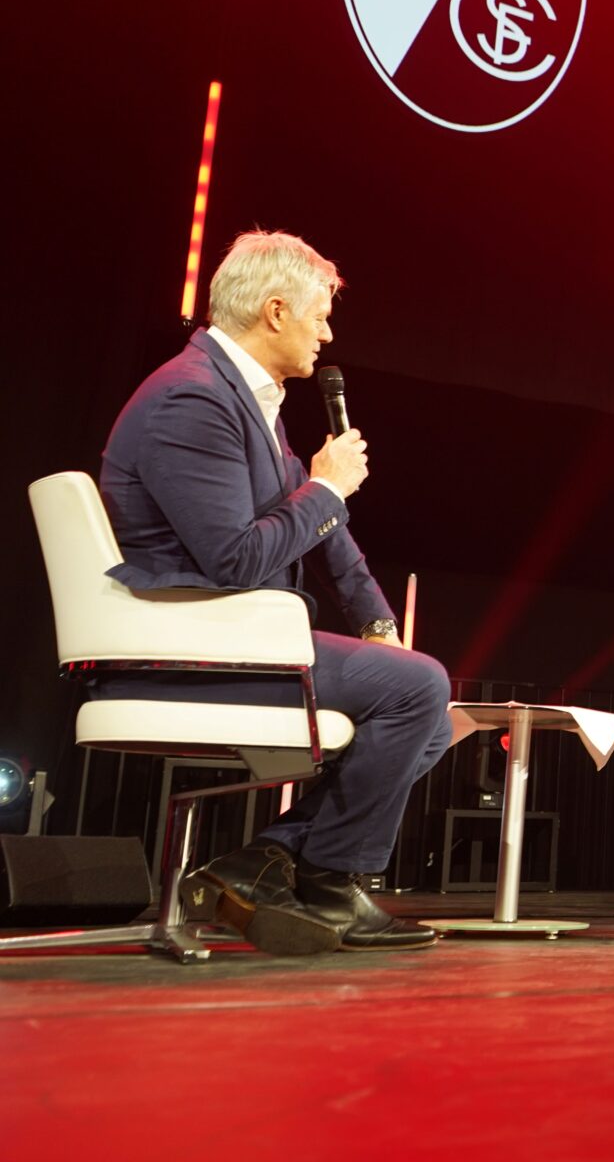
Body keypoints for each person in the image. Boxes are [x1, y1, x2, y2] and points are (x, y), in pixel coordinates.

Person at [99, 231, 449, 954]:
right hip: (187, 646)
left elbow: (322, 533)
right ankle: (328, 881)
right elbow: (235, 559)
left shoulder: (245, 400)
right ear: (277, 310)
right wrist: (326, 486)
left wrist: (378, 620)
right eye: (321, 315)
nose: (328, 332)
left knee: (430, 710)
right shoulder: (191, 400)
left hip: (232, 636)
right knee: (418, 692)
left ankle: (266, 862)